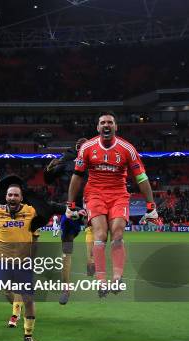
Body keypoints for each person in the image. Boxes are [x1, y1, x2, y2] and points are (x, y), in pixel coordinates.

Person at [0, 179, 71, 341]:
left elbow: (51, 207)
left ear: (21, 197)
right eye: (10, 195)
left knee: (28, 300)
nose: (12, 198)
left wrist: (72, 209)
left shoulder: (30, 211)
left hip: (22, 264)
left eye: (16, 195)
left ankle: (28, 335)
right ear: (6, 197)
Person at [68, 112, 158, 297]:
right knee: (100, 233)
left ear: (116, 127)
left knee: (117, 233)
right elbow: (77, 176)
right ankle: (101, 281)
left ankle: (117, 278)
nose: (106, 125)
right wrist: (70, 203)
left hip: (118, 195)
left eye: (110, 122)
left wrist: (151, 204)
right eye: (102, 123)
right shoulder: (87, 147)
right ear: (98, 127)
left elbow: (141, 177)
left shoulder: (127, 149)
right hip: (94, 194)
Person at [44, 137, 95, 304]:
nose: (82, 149)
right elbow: (48, 179)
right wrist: (49, 168)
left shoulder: (97, 160)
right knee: (66, 244)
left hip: (93, 202)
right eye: (79, 146)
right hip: (70, 206)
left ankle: (91, 260)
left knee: (95, 227)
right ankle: (66, 288)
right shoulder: (67, 162)